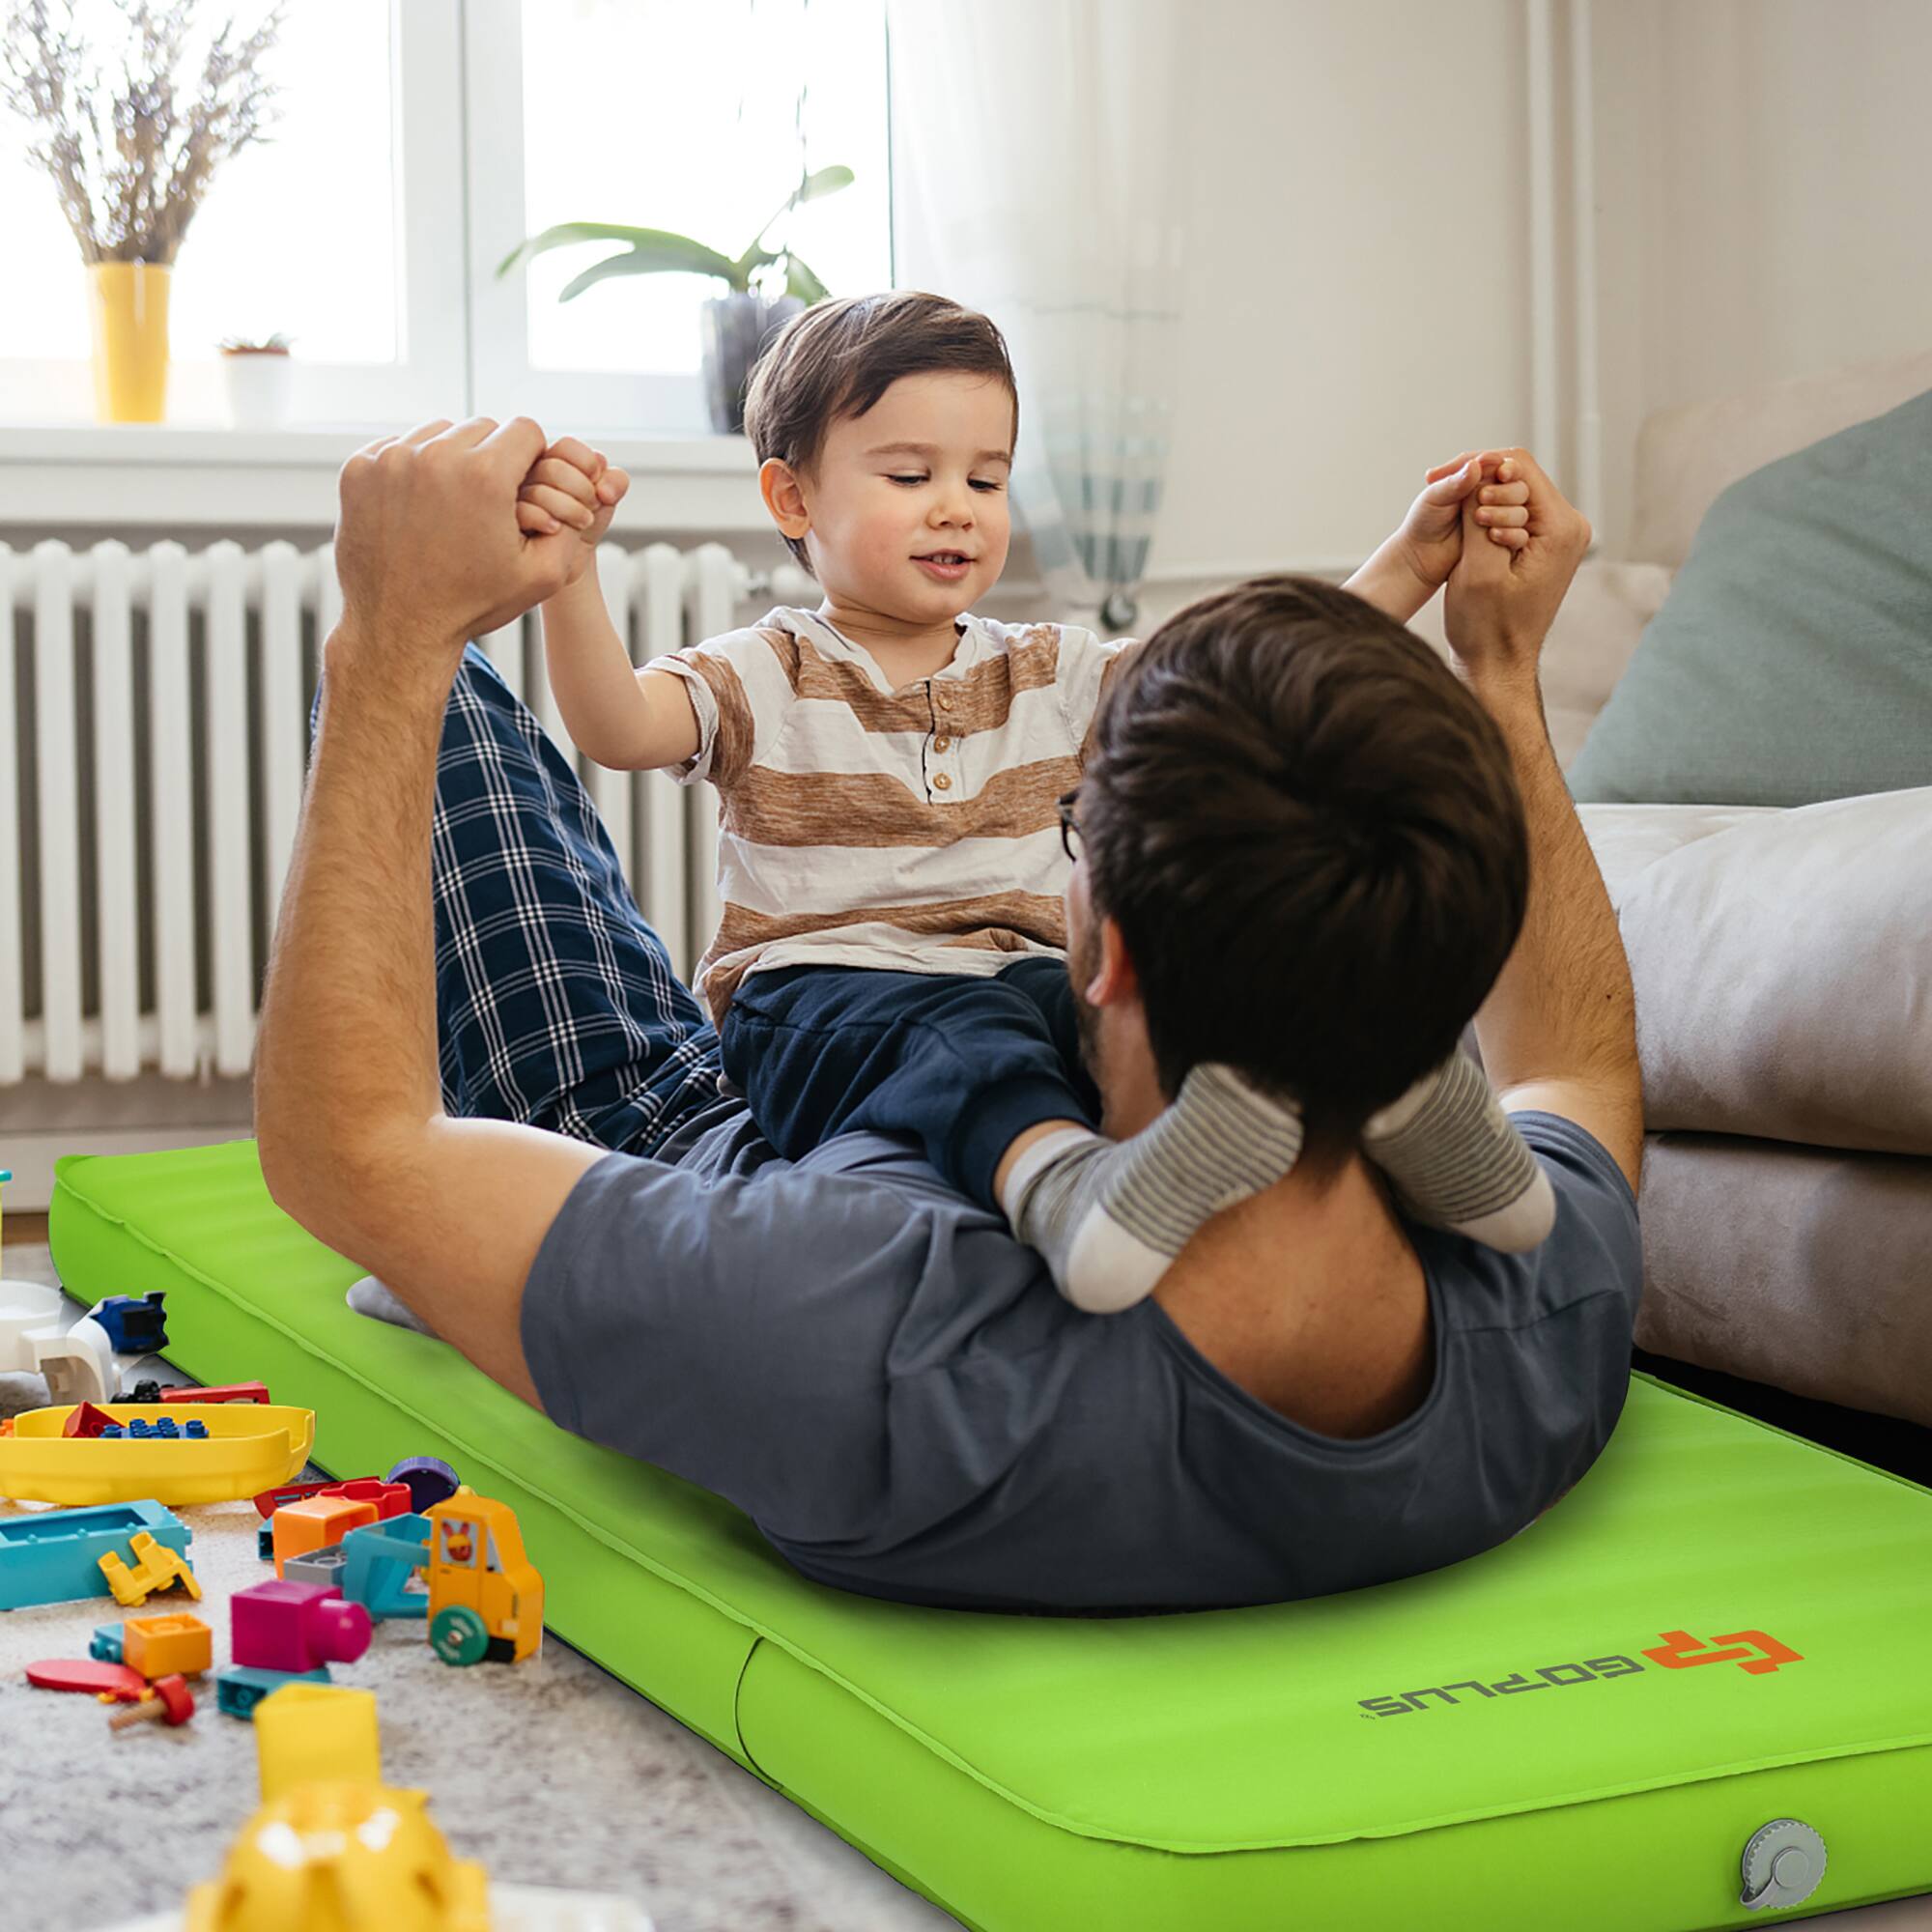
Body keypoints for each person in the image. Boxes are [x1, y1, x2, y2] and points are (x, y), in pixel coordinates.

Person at [256, 418, 1641, 1613]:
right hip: (903, 1053)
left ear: (1121, 963)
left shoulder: (844, 1324)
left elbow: (351, 1152)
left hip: (700, 1133)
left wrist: (387, 635)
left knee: (446, 713)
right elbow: (1574, 1063)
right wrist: (1504, 676)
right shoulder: (1541, 1300)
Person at [522, 291, 1554, 1316]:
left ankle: (1402, 1092)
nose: (955, 505)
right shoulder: (767, 668)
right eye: (909, 474)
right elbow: (617, 726)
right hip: (821, 998)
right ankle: (1063, 1192)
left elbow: (1241, 666)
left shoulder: (1045, 670)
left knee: (1185, 981)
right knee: (961, 1036)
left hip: (1026, 975)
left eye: (985, 477)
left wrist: (1415, 559)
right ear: (792, 500)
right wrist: (569, 572)